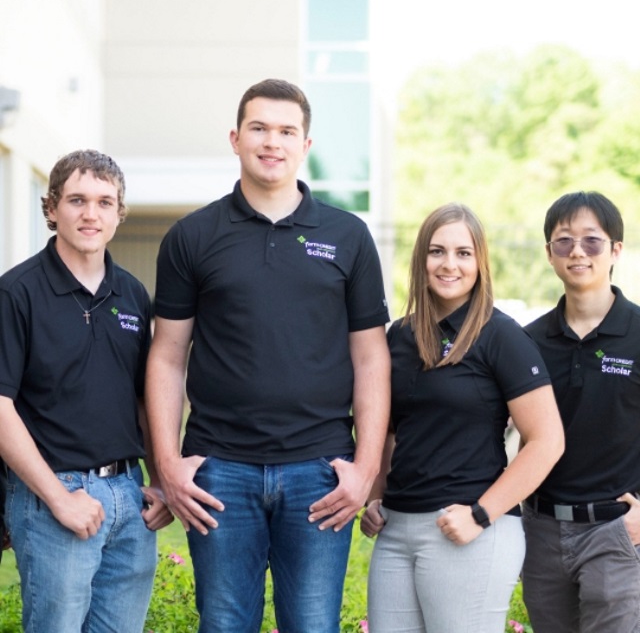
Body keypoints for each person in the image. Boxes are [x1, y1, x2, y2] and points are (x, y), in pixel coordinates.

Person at [145, 78, 391, 633]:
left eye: (286, 131)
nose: (271, 142)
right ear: (235, 138)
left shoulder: (348, 236)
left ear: (306, 145)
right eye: (258, 128)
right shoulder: (192, 236)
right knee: (225, 623)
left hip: (320, 470)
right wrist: (166, 462)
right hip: (218, 472)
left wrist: (366, 470)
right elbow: (167, 356)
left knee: (312, 624)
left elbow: (371, 359)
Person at [360, 203, 565, 632]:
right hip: (396, 530)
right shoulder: (399, 335)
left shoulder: (501, 335)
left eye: (463, 253)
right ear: (422, 259)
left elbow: (546, 440)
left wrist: (480, 515)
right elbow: (390, 430)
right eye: (437, 251)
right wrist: (375, 495)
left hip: (470, 530)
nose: (449, 264)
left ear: (480, 262)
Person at [0, 149, 173, 632]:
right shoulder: (16, 294)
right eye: (77, 200)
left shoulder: (134, 295)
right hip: (53, 497)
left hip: (127, 494)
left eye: (104, 201)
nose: (90, 214)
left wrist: (158, 479)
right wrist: (59, 498)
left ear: (120, 213)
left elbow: (144, 398)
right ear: (52, 209)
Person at [522, 191, 640, 632]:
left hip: (616, 531)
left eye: (592, 241)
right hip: (541, 531)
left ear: (615, 251)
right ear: (549, 254)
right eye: (563, 241)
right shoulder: (527, 342)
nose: (577, 251)